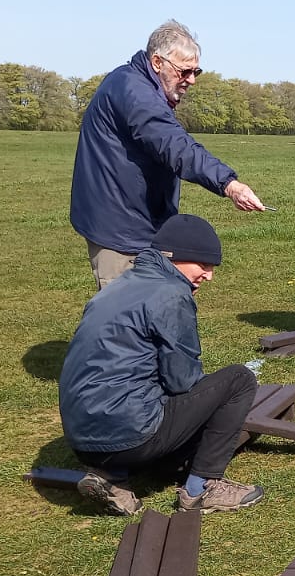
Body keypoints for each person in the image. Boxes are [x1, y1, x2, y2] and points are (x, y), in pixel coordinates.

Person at [59, 214, 264, 515]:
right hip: (131, 436)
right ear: (175, 258)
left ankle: (112, 478)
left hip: (81, 440)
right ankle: (200, 489)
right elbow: (182, 380)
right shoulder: (170, 294)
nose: (209, 276)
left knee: (145, 399)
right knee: (238, 380)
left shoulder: (117, 287)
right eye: (204, 265)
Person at [70, 20, 266, 288]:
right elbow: (176, 147)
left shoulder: (142, 87)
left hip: (143, 221)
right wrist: (229, 185)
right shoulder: (133, 91)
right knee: (124, 316)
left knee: (155, 307)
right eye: (185, 72)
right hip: (119, 228)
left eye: (196, 71)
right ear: (157, 62)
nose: (192, 80)